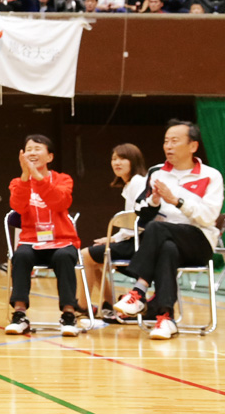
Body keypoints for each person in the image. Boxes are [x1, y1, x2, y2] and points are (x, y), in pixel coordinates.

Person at [113, 121, 223, 339]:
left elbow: (209, 217)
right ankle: (166, 318)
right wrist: (153, 201)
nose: (168, 146)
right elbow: (140, 213)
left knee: (158, 229)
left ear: (192, 146)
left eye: (175, 141)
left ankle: (139, 290)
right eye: (166, 141)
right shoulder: (156, 173)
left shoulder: (211, 176)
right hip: (164, 240)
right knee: (167, 248)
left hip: (198, 241)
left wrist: (177, 201)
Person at [4, 134, 80, 337]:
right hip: (32, 241)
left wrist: (37, 177)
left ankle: (69, 315)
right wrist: (25, 176)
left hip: (62, 241)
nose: (32, 152)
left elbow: (60, 202)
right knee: (20, 256)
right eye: (28, 149)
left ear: (50, 156)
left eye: (37, 148)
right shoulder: (17, 182)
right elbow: (17, 206)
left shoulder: (63, 179)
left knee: (64, 257)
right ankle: (19, 314)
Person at [79, 143, 147, 320]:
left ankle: (81, 305)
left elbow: (140, 221)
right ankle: (108, 304)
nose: (117, 162)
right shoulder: (129, 185)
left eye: (122, 158)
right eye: (114, 159)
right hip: (132, 240)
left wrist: (115, 239)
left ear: (134, 161)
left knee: (84, 255)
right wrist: (114, 238)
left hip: (142, 244)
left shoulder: (138, 182)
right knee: (95, 260)